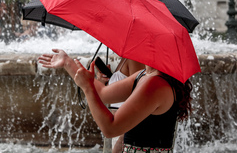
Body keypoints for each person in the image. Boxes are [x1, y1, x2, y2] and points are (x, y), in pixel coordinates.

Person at [38, 49, 193, 152]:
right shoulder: (144, 75)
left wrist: (87, 88)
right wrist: (67, 62)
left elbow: (111, 128)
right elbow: (103, 93)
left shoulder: (155, 84)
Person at [96, 57, 145, 152]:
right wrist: (104, 83)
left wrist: (122, 139)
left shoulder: (135, 59)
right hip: (118, 131)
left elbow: (138, 103)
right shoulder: (126, 58)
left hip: (125, 133)